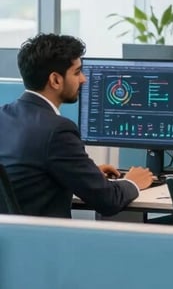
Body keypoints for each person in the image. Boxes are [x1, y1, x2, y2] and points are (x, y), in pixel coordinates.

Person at [0, 34, 154, 217]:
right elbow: (108, 201)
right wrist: (132, 182)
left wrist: (85, 173)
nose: (83, 79)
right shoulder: (57, 130)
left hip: (11, 238)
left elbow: (28, 174)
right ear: (55, 80)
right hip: (42, 242)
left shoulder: (4, 115)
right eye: (76, 72)